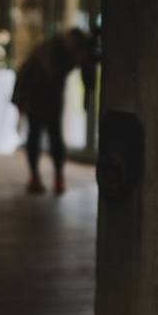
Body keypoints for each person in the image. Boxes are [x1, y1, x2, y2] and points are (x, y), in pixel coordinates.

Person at [11, 29, 99, 195]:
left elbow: (87, 74)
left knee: (55, 137)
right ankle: (35, 177)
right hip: (35, 94)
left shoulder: (74, 50)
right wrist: (21, 101)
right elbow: (37, 74)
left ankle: (58, 177)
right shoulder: (51, 50)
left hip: (52, 96)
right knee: (35, 134)